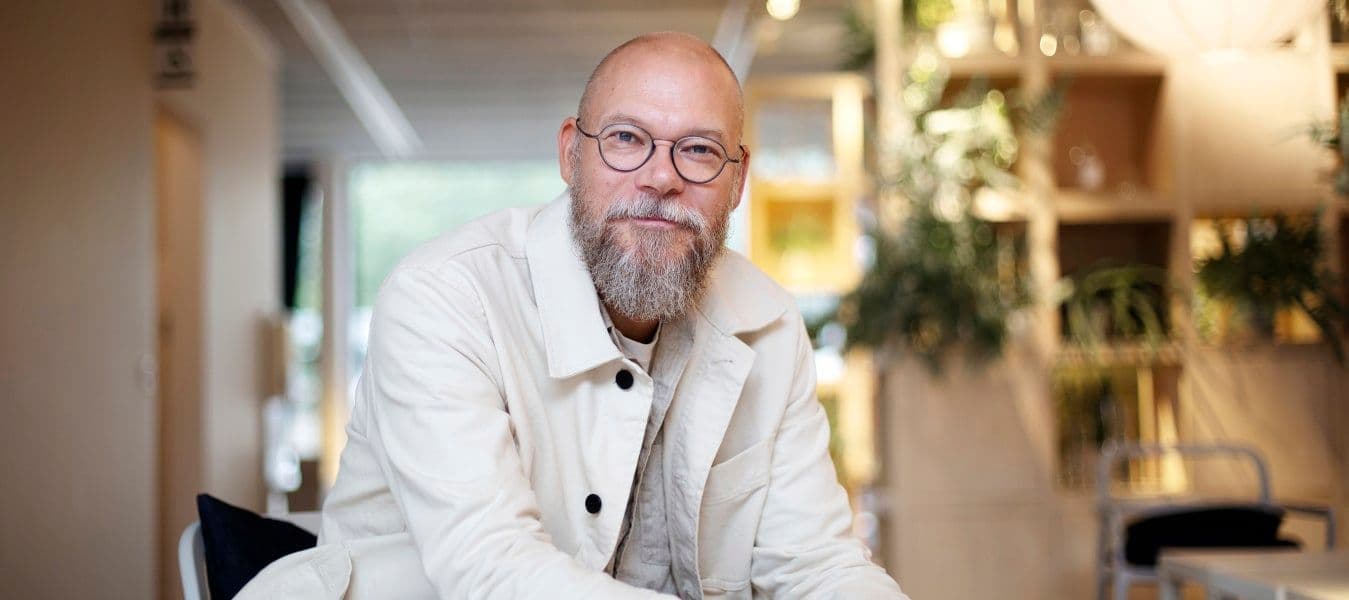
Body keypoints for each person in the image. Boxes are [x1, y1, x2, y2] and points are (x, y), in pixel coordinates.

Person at [238, 32, 907, 600]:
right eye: (626, 138)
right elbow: (492, 569)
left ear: (736, 181)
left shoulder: (769, 324)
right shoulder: (441, 297)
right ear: (570, 153)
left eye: (699, 150)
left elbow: (815, 563)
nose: (659, 177)